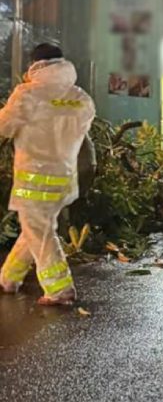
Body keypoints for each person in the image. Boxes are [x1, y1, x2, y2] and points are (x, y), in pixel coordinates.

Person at [0, 44, 95, 305]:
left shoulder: (28, 94)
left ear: (35, 65)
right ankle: (8, 278)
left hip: (33, 179)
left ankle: (59, 289)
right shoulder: (81, 98)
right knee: (35, 228)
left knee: (39, 231)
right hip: (64, 179)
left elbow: (5, 127)